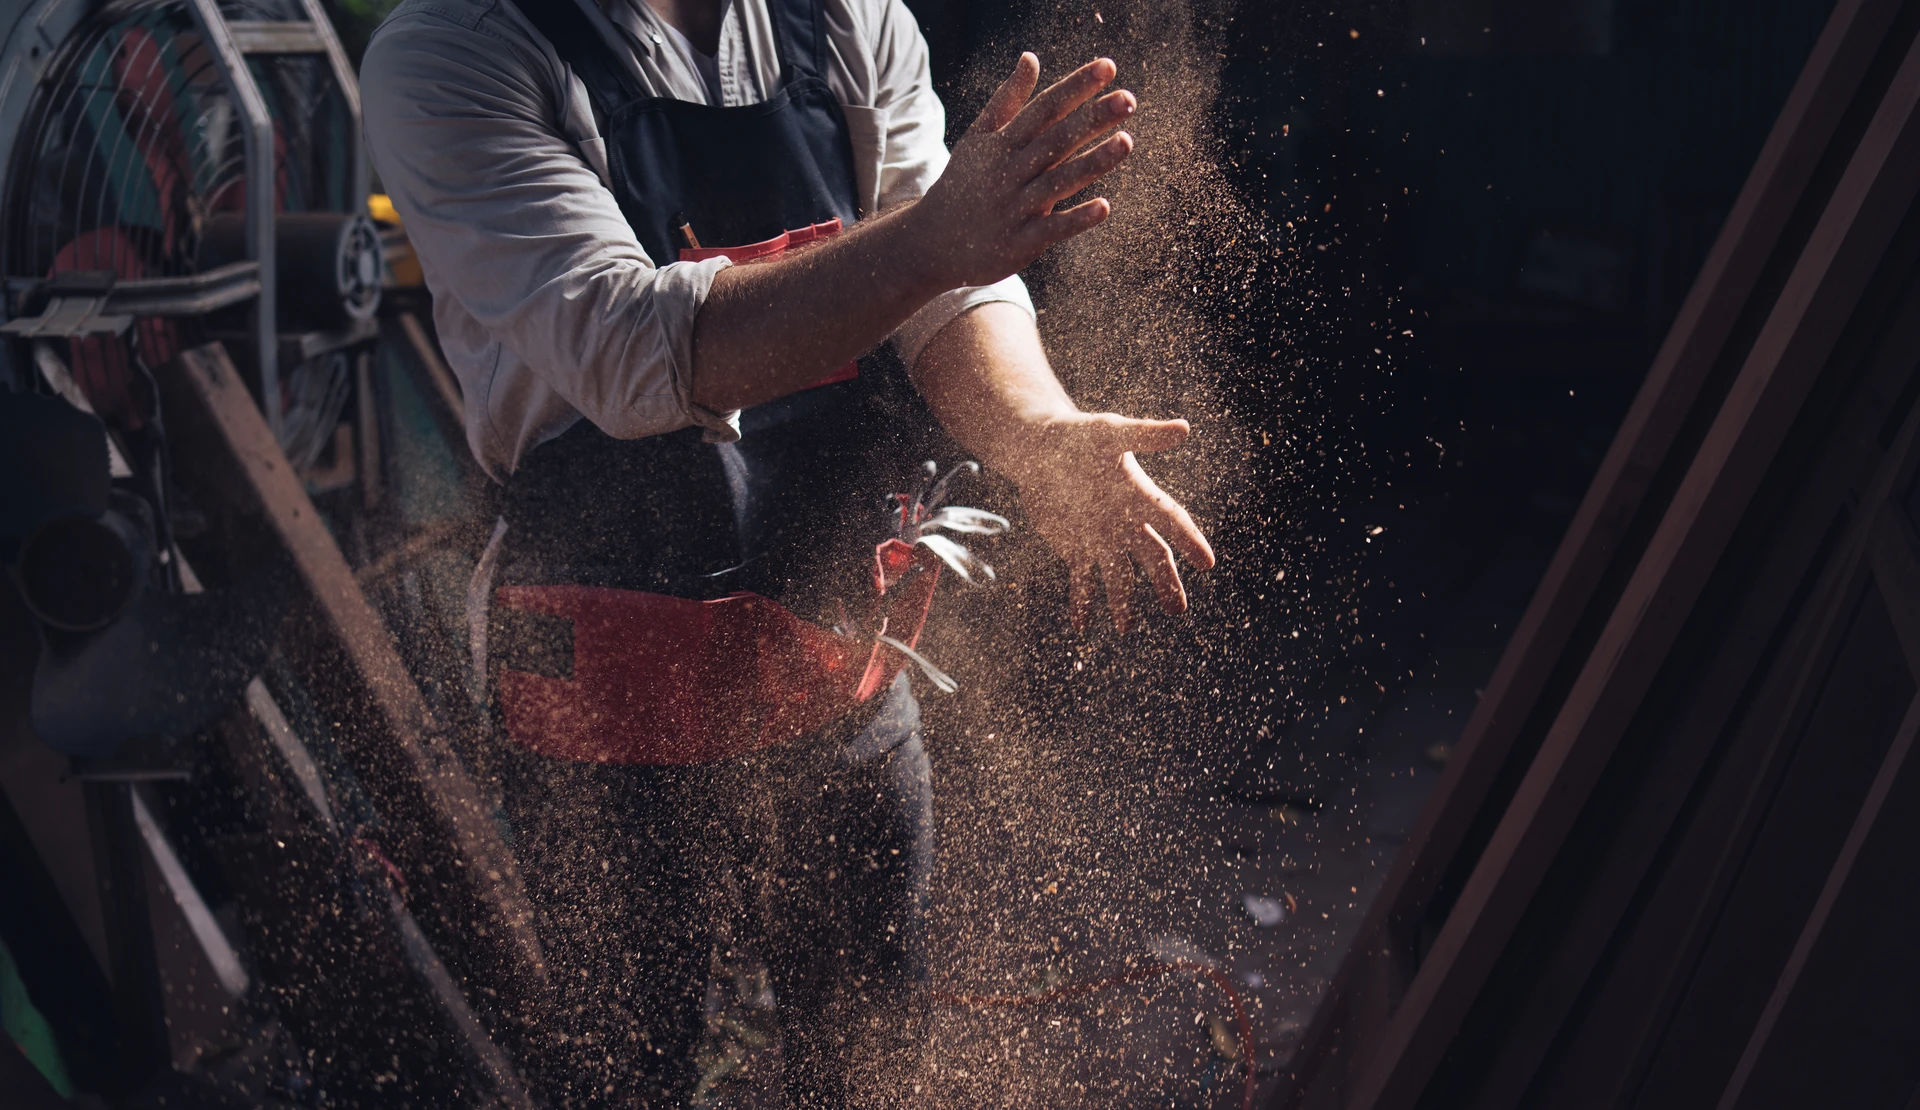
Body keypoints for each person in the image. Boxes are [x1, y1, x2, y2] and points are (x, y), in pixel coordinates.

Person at [361, 0, 1214, 1105]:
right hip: (608, 701)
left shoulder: (849, 18)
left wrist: (1034, 434)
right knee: (629, 1081)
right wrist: (931, 236)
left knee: (867, 1062)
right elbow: (631, 352)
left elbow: (953, 284)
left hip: (835, 672)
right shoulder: (456, 51)